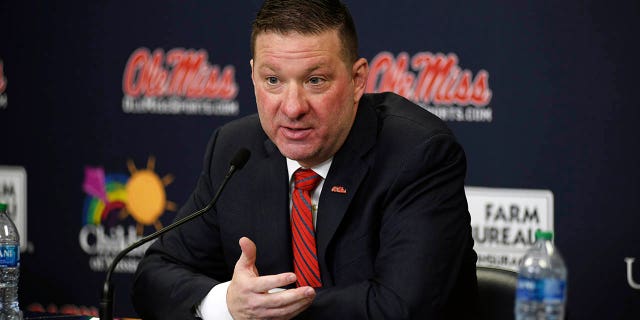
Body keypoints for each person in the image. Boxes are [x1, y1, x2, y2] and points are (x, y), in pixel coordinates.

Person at [132, 0, 478, 319]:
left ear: (357, 80)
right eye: (273, 80)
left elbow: (401, 308)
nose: (293, 107)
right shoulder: (235, 150)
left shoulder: (417, 154)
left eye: (315, 81)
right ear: (252, 76)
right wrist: (226, 303)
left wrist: (266, 310)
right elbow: (155, 276)